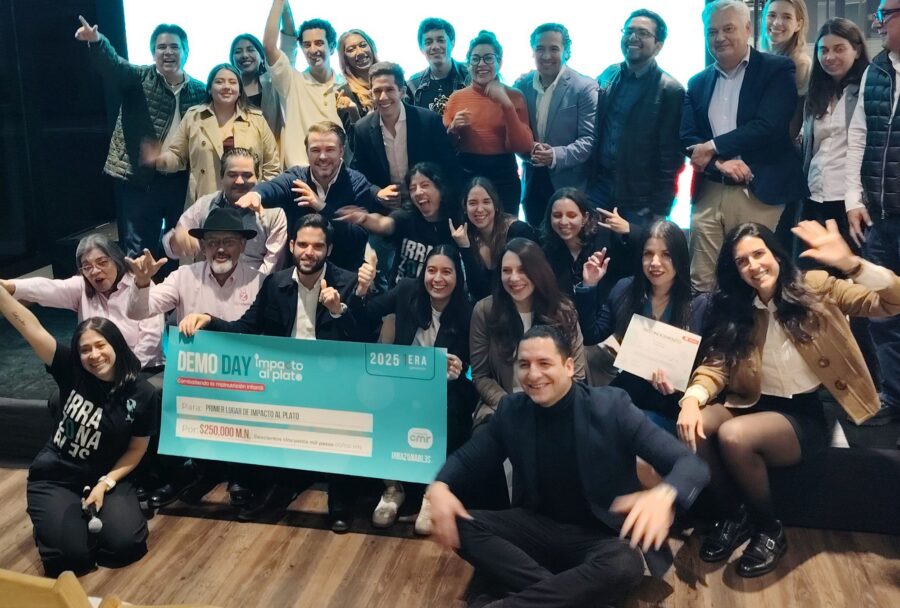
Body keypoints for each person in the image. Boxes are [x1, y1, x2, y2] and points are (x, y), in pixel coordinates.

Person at [428, 324, 710, 607]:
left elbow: (691, 464)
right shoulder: (512, 411)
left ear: (569, 366)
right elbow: (468, 459)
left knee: (625, 564)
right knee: (458, 522)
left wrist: (664, 495)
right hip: (538, 528)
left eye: (544, 363)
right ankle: (570, 594)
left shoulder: (612, 407)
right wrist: (440, 485)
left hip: (600, 538)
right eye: (524, 365)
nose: (533, 374)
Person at [677, 220, 900, 577]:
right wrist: (691, 399)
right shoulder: (738, 306)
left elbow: (891, 302)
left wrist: (853, 264)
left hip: (802, 414)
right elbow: (716, 365)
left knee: (735, 436)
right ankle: (733, 515)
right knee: (697, 424)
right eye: (742, 261)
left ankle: (769, 529)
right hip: (751, 402)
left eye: (758, 254)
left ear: (777, 254)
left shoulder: (816, 288)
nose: (753, 266)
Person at [179, 214, 371, 529]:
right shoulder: (275, 282)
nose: (309, 252)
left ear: (329, 250)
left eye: (317, 246)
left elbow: (364, 342)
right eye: (303, 244)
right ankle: (271, 487)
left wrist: (339, 310)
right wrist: (209, 320)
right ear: (292, 246)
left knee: (343, 415)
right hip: (284, 381)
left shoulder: (348, 283)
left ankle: (339, 500)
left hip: (332, 382)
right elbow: (245, 329)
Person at [0, 287, 157, 577]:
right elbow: (31, 328)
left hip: (107, 477)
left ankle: (82, 520)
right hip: (57, 476)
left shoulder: (143, 393)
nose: (94, 355)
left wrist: (105, 484)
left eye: (100, 345)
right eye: (85, 349)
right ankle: (54, 521)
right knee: (70, 559)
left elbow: (137, 449)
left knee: (125, 546)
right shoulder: (70, 369)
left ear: (116, 345)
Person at [124, 207, 266, 510]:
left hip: (241, 375)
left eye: (229, 241)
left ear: (243, 245)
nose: (220, 248)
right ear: (202, 246)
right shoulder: (182, 277)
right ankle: (174, 473)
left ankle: (241, 474)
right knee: (150, 393)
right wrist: (142, 283)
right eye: (213, 242)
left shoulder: (259, 281)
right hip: (190, 374)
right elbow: (138, 311)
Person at [681, 0, 807, 293]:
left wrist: (713, 146)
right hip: (710, 190)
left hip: (760, 190)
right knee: (702, 281)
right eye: (712, 31)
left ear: (748, 29)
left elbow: (769, 125)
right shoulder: (697, 82)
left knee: (758, 281)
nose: (720, 37)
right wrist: (718, 163)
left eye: (728, 29)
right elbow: (687, 138)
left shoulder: (777, 69)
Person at [353, 245, 476, 534]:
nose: (438, 279)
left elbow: (471, 364)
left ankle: (432, 491)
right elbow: (367, 314)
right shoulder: (407, 290)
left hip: (445, 388)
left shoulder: (468, 312)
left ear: (457, 277)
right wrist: (361, 291)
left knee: (452, 409)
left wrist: (460, 369)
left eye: (446, 272)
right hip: (401, 384)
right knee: (374, 401)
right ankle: (392, 487)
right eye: (431, 271)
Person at [74, 17, 206, 259]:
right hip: (142, 180)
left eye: (174, 47)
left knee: (177, 247)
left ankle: (170, 284)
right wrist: (97, 41)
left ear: (186, 51)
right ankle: (141, 285)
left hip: (180, 180)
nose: (168, 52)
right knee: (139, 249)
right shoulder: (138, 78)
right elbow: (113, 66)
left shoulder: (199, 90)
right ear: (153, 53)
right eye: (161, 47)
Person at [574, 220, 702, 434]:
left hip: (670, 402)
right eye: (648, 254)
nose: (655, 262)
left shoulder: (697, 304)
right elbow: (592, 335)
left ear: (680, 258)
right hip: (629, 391)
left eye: (666, 255)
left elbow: (703, 368)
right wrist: (589, 285)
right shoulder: (625, 289)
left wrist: (682, 390)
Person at [844, 0, 900, 427]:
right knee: (882, 312)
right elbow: (859, 136)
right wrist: (853, 199)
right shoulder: (876, 69)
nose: (876, 23)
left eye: (885, 14)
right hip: (879, 216)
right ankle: (893, 395)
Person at [470, 238, 587, 428]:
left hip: (555, 406)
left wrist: (549, 407)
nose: (514, 278)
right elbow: (481, 376)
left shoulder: (564, 312)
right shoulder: (484, 311)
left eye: (522, 270)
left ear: (538, 272)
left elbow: (577, 375)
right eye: (506, 271)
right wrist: (512, 407)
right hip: (502, 405)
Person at [2, 234, 163, 369]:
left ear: (116, 260)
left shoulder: (141, 284)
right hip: (97, 369)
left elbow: (151, 339)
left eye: (102, 262)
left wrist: (124, 371)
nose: (95, 271)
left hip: (141, 369)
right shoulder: (81, 286)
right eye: (87, 267)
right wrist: (10, 286)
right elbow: (48, 288)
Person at [236, 121, 376, 274]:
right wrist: (256, 194)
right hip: (299, 274)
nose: (322, 156)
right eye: (315, 150)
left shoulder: (357, 184)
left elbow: (358, 238)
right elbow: (276, 186)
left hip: (344, 275)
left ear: (341, 151)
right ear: (307, 152)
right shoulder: (297, 178)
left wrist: (322, 207)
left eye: (330, 150)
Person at [591, 9, 685, 229]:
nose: (633, 37)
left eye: (643, 33)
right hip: (600, 188)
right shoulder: (609, 74)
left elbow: (671, 158)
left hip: (640, 199)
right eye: (629, 31)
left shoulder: (670, 90)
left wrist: (660, 209)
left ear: (658, 45)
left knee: (634, 249)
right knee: (594, 246)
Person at [144, 63, 280, 205]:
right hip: (205, 203)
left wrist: (261, 196)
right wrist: (159, 160)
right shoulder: (194, 117)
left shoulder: (257, 120)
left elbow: (272, 166)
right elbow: (177, 155)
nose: (226, 86)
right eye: (219, 82)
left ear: (240, 90)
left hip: (248, 202)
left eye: (232, 82)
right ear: (209, 88)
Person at [513, 23, 598, 226]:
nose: (546, 56)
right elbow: (514, 130)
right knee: (534, 239)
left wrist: (554, 155)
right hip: (533, 182)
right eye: (540, 49)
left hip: (569, 185)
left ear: (566, 51)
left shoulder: (584, 87)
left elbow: (589, 141)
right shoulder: (522, 86)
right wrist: (528, 148)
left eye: (554, 49)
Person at [352, 62, 462, 214]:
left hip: (429, 205)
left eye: (389, 89)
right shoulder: (362, 129)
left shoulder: (429, 121)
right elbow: (358, 173)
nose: (383, 97)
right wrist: (377, 193)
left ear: (402, 92)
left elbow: (449, 167)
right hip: (387, 209)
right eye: (377, 91)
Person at [444, 31, 533, 216]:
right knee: (470, 228)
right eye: (475, 59)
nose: (481, 64)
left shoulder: (514, 96)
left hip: (504, 175)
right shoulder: (456, 98)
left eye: (488, 58)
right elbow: (446, 149)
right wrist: (453, 130)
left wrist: (506, 105)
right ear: (468, 64)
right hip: (467, 173)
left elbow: (522, 147)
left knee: (507, 229)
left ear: (499, 62)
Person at [162, 147, 288, 275]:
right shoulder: (205, 205)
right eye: (232, 175)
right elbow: (170, 247)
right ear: (221, 177)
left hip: (256, 284)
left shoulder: (274, 212)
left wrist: (244, 286)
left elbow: (272, 268)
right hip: (208, 282)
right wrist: (176, 241)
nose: (240, 181)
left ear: (258, 178)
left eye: (247, 175)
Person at [336, 162, 460, 285]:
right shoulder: (406, 217)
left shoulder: (454, 225)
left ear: (440, 189)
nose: (418, 192)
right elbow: (383, 223)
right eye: (412, 188)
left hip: (436, 291)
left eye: (425, 185)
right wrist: (364, 218)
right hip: (399, 292)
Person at [263, 0, 341, 168]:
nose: (313, 50)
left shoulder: (344, 86)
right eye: (306, 45)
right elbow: (269, 47)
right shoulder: (292, 81)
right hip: (300, 174)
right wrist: (280, 4)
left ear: (332, 47)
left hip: (339, 176)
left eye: (319, 43)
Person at [452, 177, 538, 300]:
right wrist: (465, 248)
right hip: (489, 305)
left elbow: (536, 277)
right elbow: (478, 292)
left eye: (486, 202)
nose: (479, 209)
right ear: (465, 208)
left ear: (496, 205)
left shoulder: (518, 231)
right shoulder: (466, 237)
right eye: (473, 203)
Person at [540, 188, 633, 297]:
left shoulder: (606, 237)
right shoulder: (547, 249)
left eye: (571, 215)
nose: (563, 222)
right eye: (557, 215)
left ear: (585, 218)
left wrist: (630, 229)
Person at [229, 3, 299, 136]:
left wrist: (283, 7)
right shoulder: (228, 89)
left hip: (272, 147)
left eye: (250, 50)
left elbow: (289, 42)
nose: (244, 55)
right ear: (232, 59)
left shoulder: (274, 82)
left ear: (262, 57)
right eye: (238, 51)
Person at [407, 17, 470, 116]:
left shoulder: (470, 76)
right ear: (421, 48)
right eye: (428, 42)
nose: (435, 47)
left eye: (441, 40)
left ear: (452, 43)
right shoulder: (413, 85)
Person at [335, 29, 379, 147]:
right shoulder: (345, 93)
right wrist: (354, 113)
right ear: (344, 58)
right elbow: (354, 145)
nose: (359, 52)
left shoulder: (393, 77)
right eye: (351, 49)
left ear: (371, 47)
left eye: (363, 45)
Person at [760, 0, 812, 98]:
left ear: (798, 25)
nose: (777, 22)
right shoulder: (758, 59)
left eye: (787, 17)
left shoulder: (801, 66)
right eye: (772, 15)